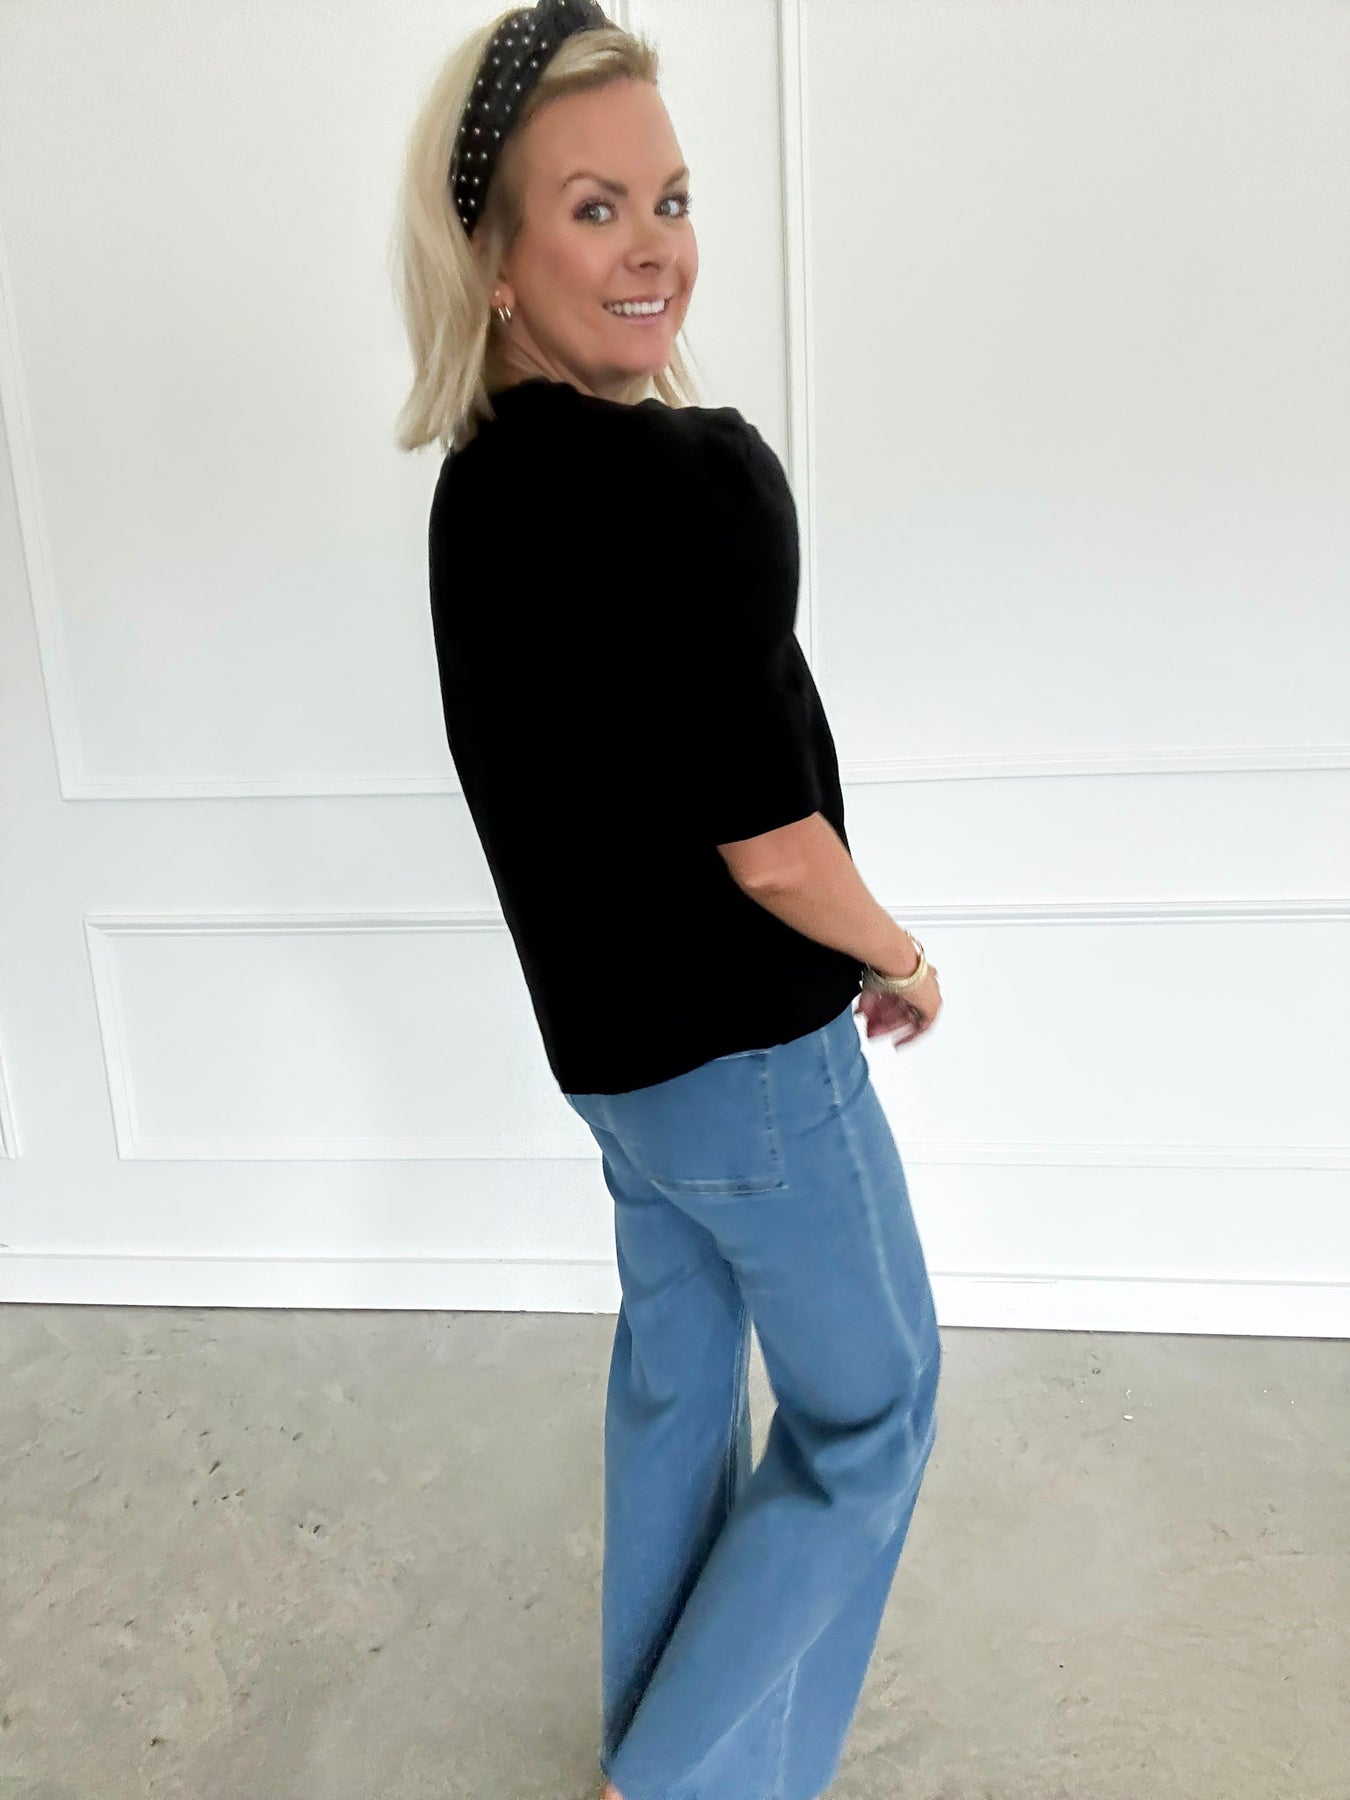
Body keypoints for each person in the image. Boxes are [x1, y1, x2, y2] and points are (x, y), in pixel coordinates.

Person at [391, 5, 945, 1795]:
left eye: (672, 199)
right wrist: (899, 953)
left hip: (622, 1078)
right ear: (492, 258)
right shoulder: (692, 483)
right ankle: (672, 1780)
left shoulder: (479, 490)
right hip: (754, 1064)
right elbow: (767, 842)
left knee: (679, 1398)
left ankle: (660, 1748)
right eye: (594, 208)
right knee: (872, 1414)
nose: (653, 249)